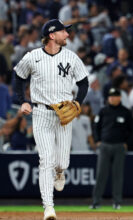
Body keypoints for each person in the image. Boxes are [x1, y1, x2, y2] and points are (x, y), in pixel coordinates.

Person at [14, 19, 89, 220]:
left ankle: (60, 171)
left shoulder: (71, 57)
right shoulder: (33, 57)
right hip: (41, 113)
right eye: (64, 32)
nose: (68, 35)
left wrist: (78, 103)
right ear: (52, 35)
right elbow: (19, 77)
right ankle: (48, 207)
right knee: (46, 159)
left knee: (62, 161)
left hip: (64, 114)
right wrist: (23, 101)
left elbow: (83, 83)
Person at [91, 88, 133, 210]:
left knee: (117, 175)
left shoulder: (126, 112)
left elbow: (132, 130)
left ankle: (117, 202)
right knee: (101, 174)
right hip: (104, 145)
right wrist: (98, 140)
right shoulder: (103, 111)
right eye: (110, 96)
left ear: (119, 97)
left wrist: (127, 143)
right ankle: (96, 201)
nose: (112, 98)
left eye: (114, 96)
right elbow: (96, 126)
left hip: (119, 146)